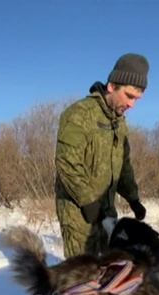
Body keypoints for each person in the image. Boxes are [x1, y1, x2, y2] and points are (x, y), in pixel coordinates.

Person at [55, 53, 149, 258]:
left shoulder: (119, 122)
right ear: (112, 86)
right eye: (129, 96)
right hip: (78, 212)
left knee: (110, 272)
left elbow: (123, 165)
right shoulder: (79, 114)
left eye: (137, 99)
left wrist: (133, 198)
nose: (132, 105)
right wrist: (88, 201)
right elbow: (67, 162)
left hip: (106, 212)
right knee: (83, 278)